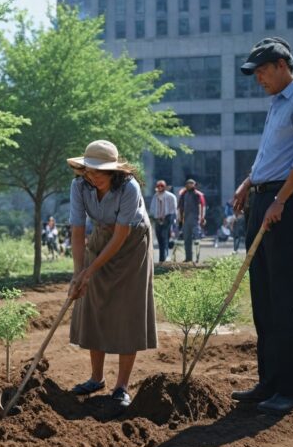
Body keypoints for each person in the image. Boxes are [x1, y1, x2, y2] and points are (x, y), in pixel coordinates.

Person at [231, 37, 293, 415]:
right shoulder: (277, 105)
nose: (258, 79)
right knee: (264, 299)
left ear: (281, 65)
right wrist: (248, 183)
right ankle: (268, 382)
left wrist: (280, 199)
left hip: (286, 206)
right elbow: (268, 156)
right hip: (263, 200)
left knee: (286, 300)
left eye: (261, 71)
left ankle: (290, 390)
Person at [66, 140, 158, 409]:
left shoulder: (129, 187)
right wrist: (78, 273)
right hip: (101, 237)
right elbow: (77, 230)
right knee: (95, 306)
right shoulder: (79, 186)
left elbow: (121, 236)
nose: (93, 177)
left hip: (131, 245)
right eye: (88, 171)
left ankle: (121, 386)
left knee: (127, 311)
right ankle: (96, 378)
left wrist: (90, 271)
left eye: (99, 172)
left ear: (114, 172)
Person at [177, 179, 205, 263]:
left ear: (194, 185)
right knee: (187, 240)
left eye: (192, 183)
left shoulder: (197, 194)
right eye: (188, 183)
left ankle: (197, 258)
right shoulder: (183, 194)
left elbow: (201, 206)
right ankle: (188, 258)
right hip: (186, 220)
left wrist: (202, 217)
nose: (190, 185)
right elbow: (180, 207)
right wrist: (180, 217)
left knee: (197, 240)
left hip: (195, 219)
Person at [149, 179, 177, 263]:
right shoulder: (155, 196)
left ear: (164, 187)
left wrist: (172, 221)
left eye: (161, 186)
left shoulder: (170, 196)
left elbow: (173, 209)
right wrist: (154, 217)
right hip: (157, 219)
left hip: (167, 218)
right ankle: (162, 259)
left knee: (165, 238)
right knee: (159, 239)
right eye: (158, 186)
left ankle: (165, 257)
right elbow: (152, 208)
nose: (160, 187)